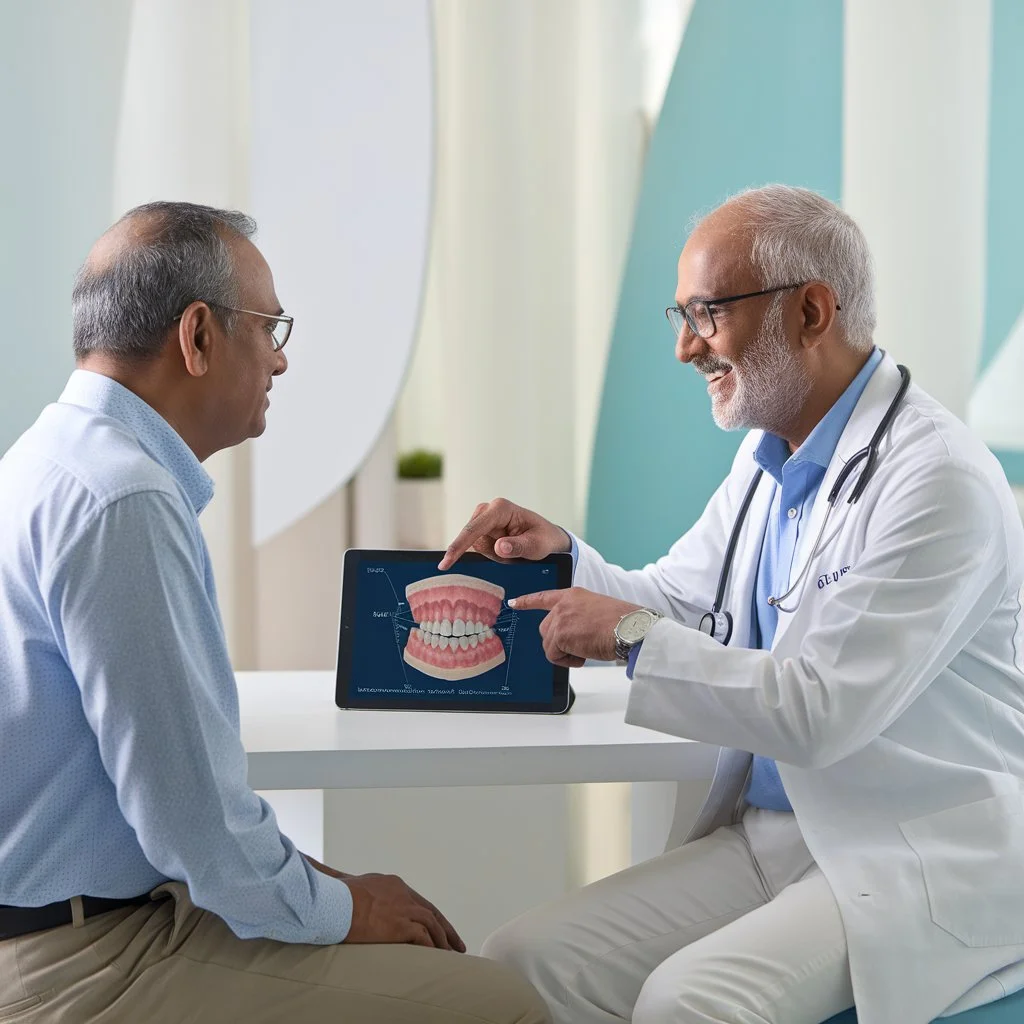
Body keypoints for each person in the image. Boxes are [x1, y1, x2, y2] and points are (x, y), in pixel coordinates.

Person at [440, 185, 1024, 1024]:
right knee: (523, 965)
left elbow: (820, 709)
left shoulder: (938, 482)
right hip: (780, 836)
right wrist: (563, 557)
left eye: (707, 314)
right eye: (679, 315)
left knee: (691, 1003)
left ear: (812, 312)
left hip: (915, 848)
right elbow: (678, 600)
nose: (685, 348)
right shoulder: (772, 456)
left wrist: (627, 635)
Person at [0, 201, 549, 1024]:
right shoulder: (128, 501)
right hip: (83, 961)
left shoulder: (47, 456)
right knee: (500, 1002)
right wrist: (351, 907)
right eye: (271, 327)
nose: (281, 363)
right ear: (198, 337)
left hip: (84, 918)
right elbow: (196, 829)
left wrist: (322, 885)